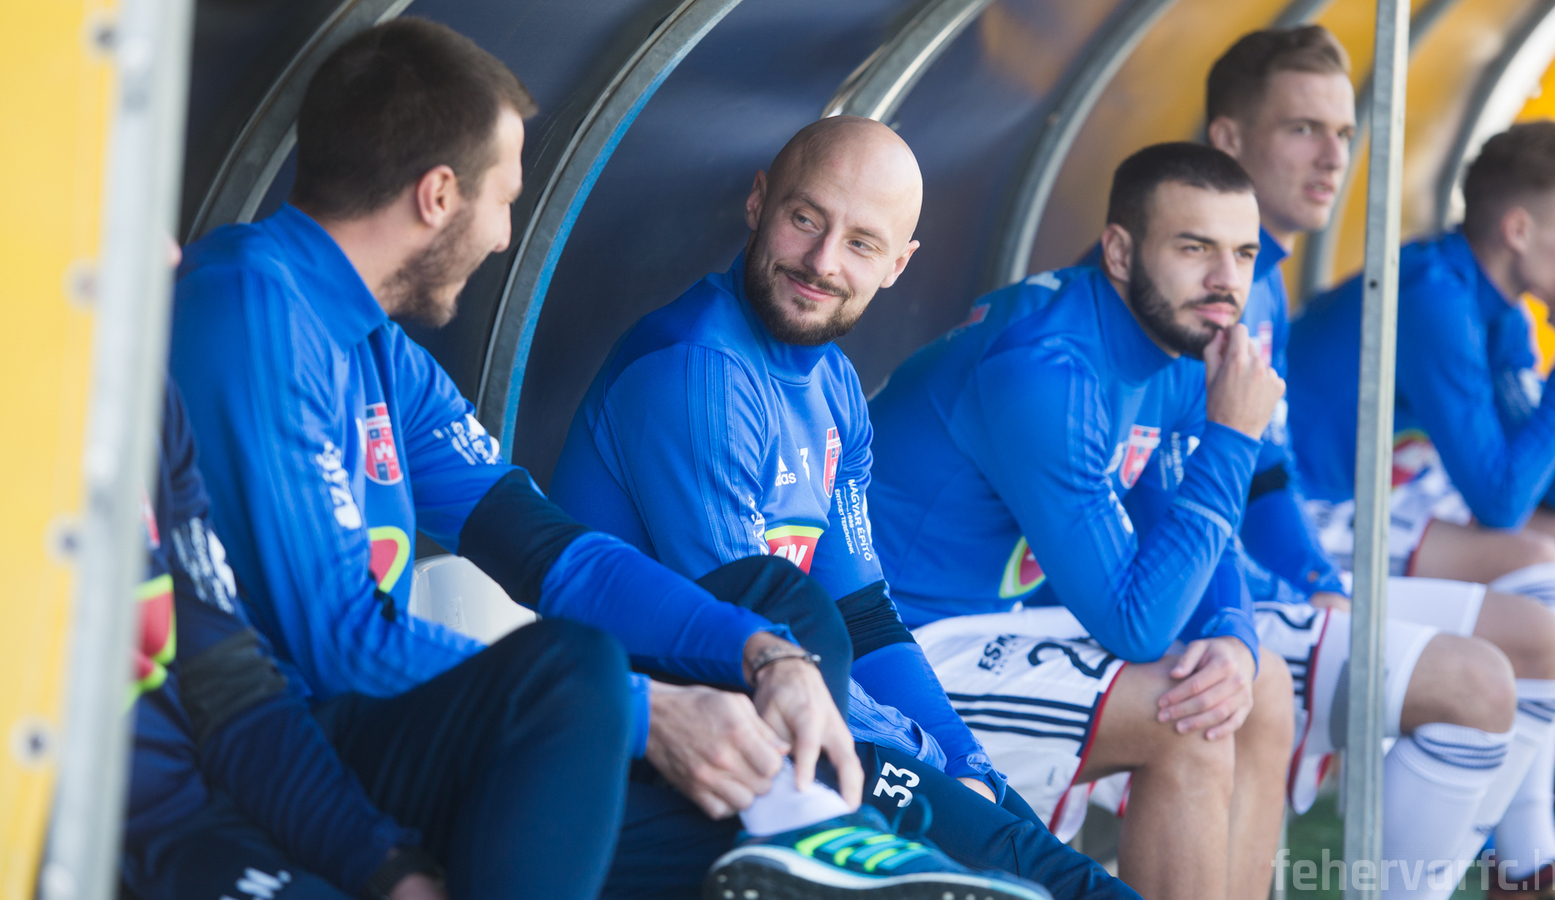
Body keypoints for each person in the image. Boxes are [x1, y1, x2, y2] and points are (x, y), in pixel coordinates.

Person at [168, 19, 1050, 899]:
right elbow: (340, 643)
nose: (506, 237)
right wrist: (638, 711)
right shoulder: (248, 308)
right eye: (505, 198)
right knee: (576, 672)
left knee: (773, 617)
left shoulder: (376, 347)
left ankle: (824, 848)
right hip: (281, 756)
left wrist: (762, 654)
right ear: (438, 196)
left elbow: (550, 550)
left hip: (376, 730)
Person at [550, 115, 1136, 900]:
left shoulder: (832, 386)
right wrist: (918, 757)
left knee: (1042, 858)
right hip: (684, 755)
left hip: (793, 732)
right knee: (1056, 882)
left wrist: (963, 761)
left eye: (861, 243)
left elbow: (863, 615)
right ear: (758, 202)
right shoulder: (697, 372)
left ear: (898, 264)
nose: (823, 262)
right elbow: (743, 643)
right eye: (805, 219)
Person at [865, 141, 1295, 900]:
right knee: (1185, 721)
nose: (1228, 282)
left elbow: (1187, 523)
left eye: (1244, 253)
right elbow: (1137, 625)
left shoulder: (1180, 343)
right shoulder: (1046, 368)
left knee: (1257, 682)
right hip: (904, 646)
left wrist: (1231, 630)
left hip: (996, 621)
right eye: (1195, 248)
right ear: (1120, 252)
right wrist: (1234, 438)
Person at [1200, 29, 1555, 896]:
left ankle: (1534, 857)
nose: (1335, 156)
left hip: (1291, 549)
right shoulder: (1208, 278)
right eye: (1303, 129)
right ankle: (1533, 854)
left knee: (1535, 629)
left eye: (1343, 131)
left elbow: (1264, 469)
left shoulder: (1266, 276)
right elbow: (1504, 497)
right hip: (1234, 579)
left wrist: (1309, 575)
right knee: (1501, 640)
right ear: (1228, 139)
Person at [126, 381, 635, 900]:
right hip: (127, 835)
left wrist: (390, 872)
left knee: (578, 674)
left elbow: (236, 699)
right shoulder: (251, 347)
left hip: (212, 806)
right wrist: (649, 712)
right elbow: (347, 648)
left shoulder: (148, 402)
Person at [1289, 119, 1555, 892]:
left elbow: (1554, 490)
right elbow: (1502, 500)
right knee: (1534, 559)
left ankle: (1549, 840)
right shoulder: (1434, 293)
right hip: (1297, 519)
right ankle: (1531, 852)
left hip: (1369, 504)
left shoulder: (1503, 309)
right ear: (1519, 229)